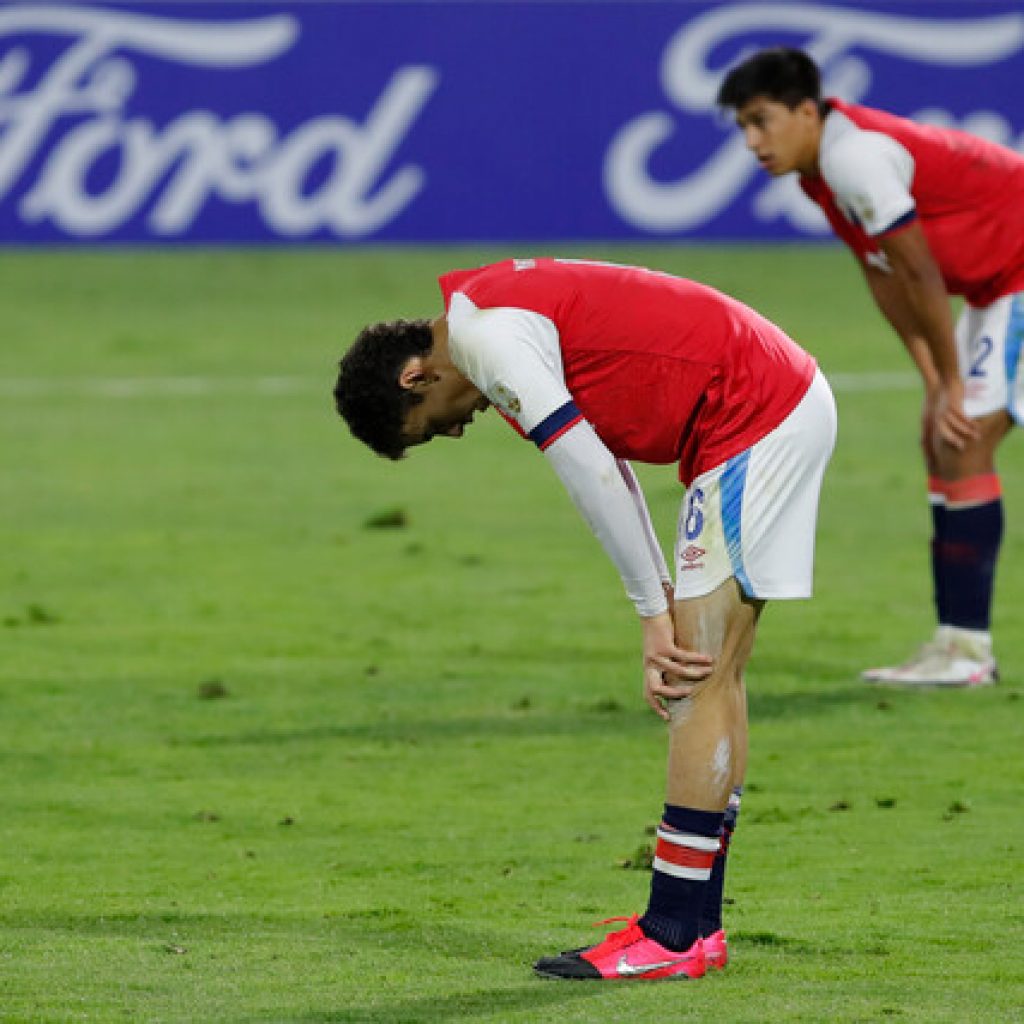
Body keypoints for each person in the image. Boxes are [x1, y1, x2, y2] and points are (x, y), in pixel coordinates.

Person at [334, 257, 836, 980]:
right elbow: (606, 458)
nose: (453, 434)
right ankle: (696, 925)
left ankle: (669, 934)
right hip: (758, 403)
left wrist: (650, 613)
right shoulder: (484, 322)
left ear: (415, 377)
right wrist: (657, 595)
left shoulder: (489, 343)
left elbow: (591, 472)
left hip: (753, 413)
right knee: (714, 676)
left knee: (693, 678)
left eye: (427, 430)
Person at [717, 48, 1023, 687]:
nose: (751, 142)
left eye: (760, 121)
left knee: (965, 441)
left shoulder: (853, 158)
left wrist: (953, 384)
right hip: (999, 285)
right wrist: (934, 380)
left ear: (806, 111)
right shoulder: (821, 172)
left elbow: (921, 272)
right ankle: (956, 645)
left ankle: (967, 654)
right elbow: (884, 275)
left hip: (1014, 276)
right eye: (742, 127)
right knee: (946, 439)